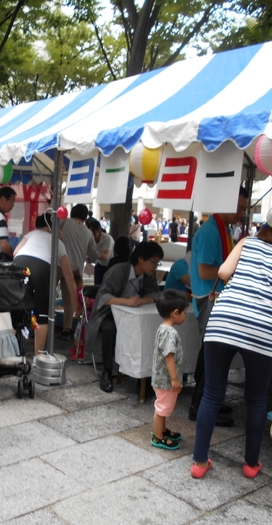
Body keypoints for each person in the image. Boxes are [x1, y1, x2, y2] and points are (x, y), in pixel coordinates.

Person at [190, 214, 272, 480]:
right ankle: (250, 464)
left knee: (212, 395)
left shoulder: (249, 242)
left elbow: (223, 272)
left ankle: (199, 463)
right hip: (261, 329)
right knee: (256, 400)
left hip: (223, 320)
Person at [188, 187, 249, 426]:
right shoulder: (211, 231)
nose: (241, 214)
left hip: (216, 298)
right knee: (212, 354)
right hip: (209, 299)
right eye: (239, 208)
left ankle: (206, 400)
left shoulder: (222, 229)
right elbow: (204, 270)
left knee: (211, 353)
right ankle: (200, 404)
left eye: (244, 209)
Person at [86, 241, 164, 393]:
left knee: (147, 328)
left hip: (133, 315)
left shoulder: (149, 275)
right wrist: (127, 302)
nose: (155, 267)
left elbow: (155, 294)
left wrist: (142, 300)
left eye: (157, 264)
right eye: (154, 262)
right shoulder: (119, 271)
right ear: (141, 259)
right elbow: (103, 297)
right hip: (108, 313)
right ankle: (107, 372)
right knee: (111, 329)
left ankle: (144, 374)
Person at [14, 211, 76, 354]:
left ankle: (13, 352)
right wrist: (75, 302)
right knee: (42, 316)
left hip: (18, 266)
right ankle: (38, 357)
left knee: (15, 310)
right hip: (40, 270)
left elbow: (15, 252)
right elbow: (69, 277)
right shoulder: (58, 243)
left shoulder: (31, 234)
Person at [151, 289, 189, 450]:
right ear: (175, 313)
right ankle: (158, 436)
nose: (185, 316)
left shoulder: (163, 328)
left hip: (161, 378)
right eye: (184, 313)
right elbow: (169, 356)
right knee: (162, 408)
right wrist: (174, 379)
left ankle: (163, 430)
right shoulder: (169, 333)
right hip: (165, 380)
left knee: (164, 407)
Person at [59, 204, 98, 340]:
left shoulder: (65, 223)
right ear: (85, 217)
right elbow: (93, 256)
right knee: (70, 300)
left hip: (58, 265)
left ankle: (43, 323)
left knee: (50, 295)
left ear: (72, 213)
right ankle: (66, 329)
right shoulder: (88, 233)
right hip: (75, 270)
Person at [86, 218, 114, 286]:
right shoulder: (90, 239)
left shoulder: (107, 238)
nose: (91, 234)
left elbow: (106, 256)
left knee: (106, 286)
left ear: (99, 230)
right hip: (99, 264)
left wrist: (93, 255)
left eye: (93, 231)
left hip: (110, 266)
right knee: (95, 285)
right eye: (89, 231)